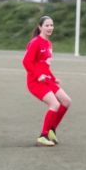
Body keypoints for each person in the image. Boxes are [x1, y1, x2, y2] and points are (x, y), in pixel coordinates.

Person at [22, 16, 71, 146]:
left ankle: (51, 130)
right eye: (47, 25)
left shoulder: (49, 44)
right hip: (35, 81)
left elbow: (45, 66)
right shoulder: (35, 42)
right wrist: (38, 75)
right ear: (40, 27)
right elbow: (26, 62)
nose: (50, 28)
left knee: (66, 101)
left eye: (51, 25)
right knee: (54, 104)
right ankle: (43, 136)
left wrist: (54, 79)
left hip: (47, 80)